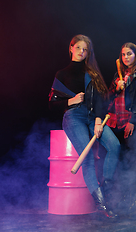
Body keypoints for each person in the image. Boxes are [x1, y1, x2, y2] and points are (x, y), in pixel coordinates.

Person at [48, 34, 120, 219]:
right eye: (78, 48)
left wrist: (97, 120)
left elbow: (100, 101)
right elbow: (51, 104)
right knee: (87, 157)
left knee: (114, 146)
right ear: (71, 48)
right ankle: (102, 203)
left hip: (93, 117)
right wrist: (70, 101)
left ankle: (106, 189)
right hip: (73, 117)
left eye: (85, 49)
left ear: (88, 53)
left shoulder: (92, 73)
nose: (81, 52)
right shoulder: (61, 74)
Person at [106, 42, 136, 213]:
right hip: (116, 121)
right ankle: (125, 197)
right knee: (123, 160)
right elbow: (108, 97)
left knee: (135, 160)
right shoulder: (118, 75)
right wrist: (117, 88)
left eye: (129, 54)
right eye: (123, 54)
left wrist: (133, 120)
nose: (126, 57)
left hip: (132, 121)